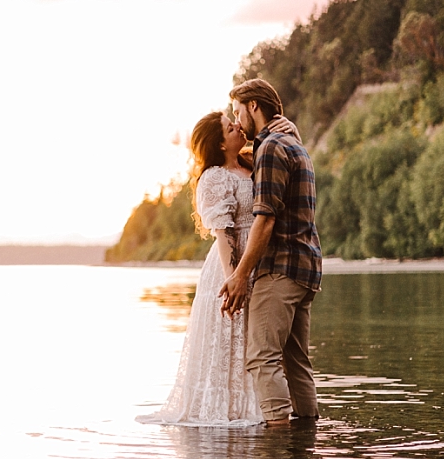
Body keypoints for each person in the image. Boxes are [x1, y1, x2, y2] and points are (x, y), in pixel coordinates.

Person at [138, 109, 300, 427]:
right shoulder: (213, 178)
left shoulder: (253, 162)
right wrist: (234, 280)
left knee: (260, 342)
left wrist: (291, 131)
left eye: (234, 121)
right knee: (232, 337)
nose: (237, 126)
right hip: (233, 265)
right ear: (220, 143)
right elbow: (224, 236)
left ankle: (265, 407)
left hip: (262, 261)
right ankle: (231, 409)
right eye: (229, 127)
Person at [220, 79, 322, 426]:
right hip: (306, 269)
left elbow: (265, 220)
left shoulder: (272, 147)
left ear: (253, 106)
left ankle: (278, 449)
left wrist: (239, 274)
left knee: (262, 359)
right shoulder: (293, 144)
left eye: (238, 111)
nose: (237, 121)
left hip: (280, 268)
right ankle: (304, 442)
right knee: (296, 364)